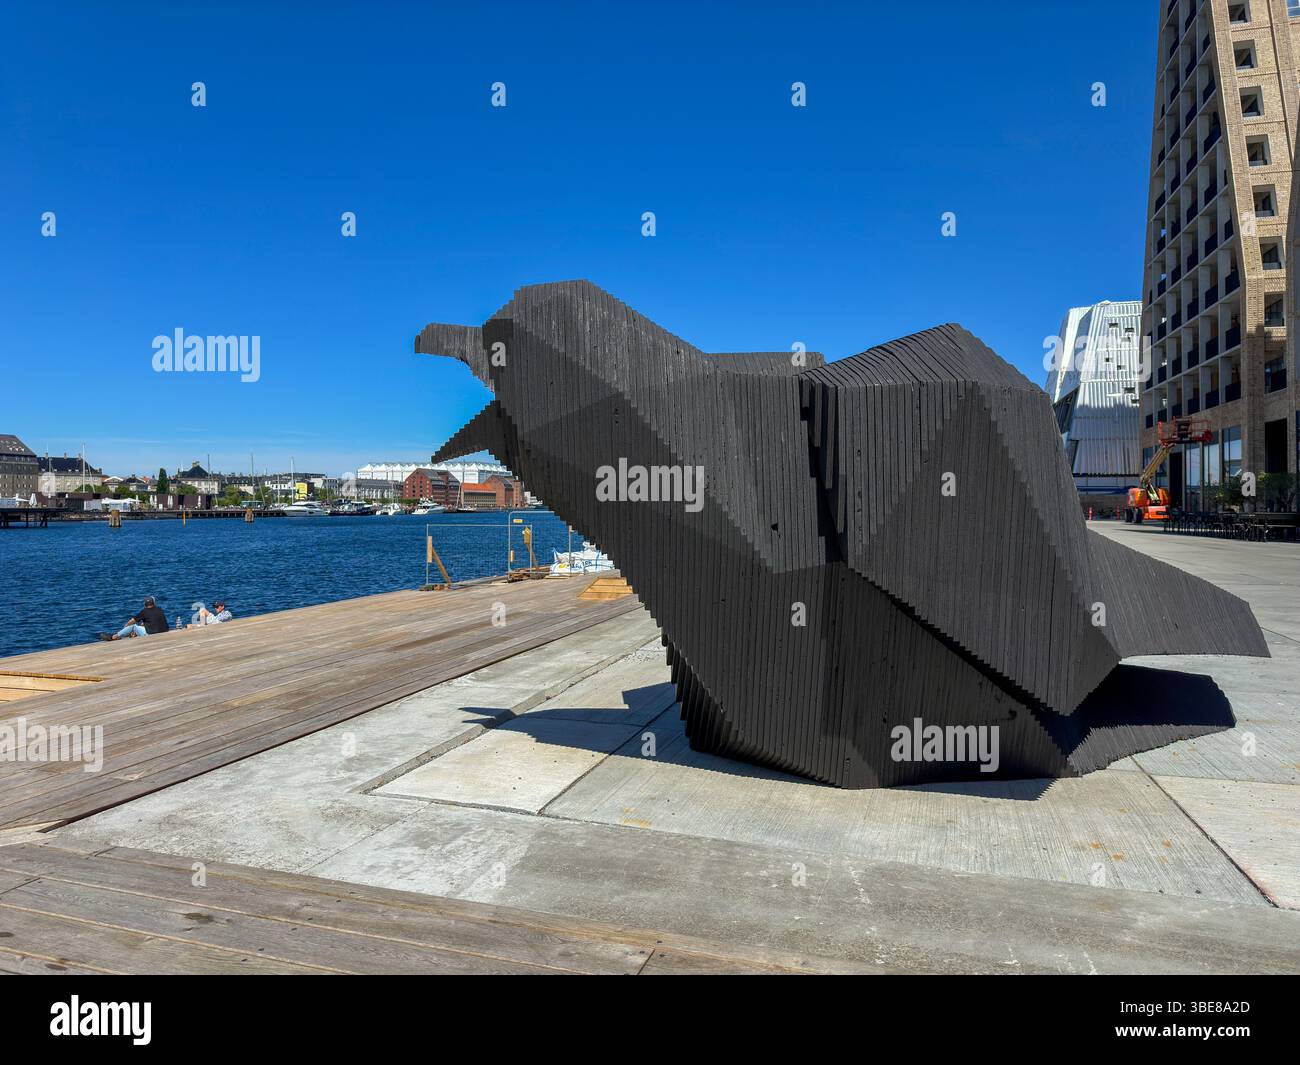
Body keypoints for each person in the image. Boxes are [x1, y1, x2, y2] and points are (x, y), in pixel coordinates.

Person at [100, 596, 169, 640]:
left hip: (152, 634)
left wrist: (126, 625)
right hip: (163, 631)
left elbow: (132, 621)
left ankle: (113, 637)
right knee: (142, 625)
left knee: (133, 626)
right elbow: (151, 621)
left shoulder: (144, 611)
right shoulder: (159, 609)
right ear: (154, 603)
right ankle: (131, 634)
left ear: (145, 604)